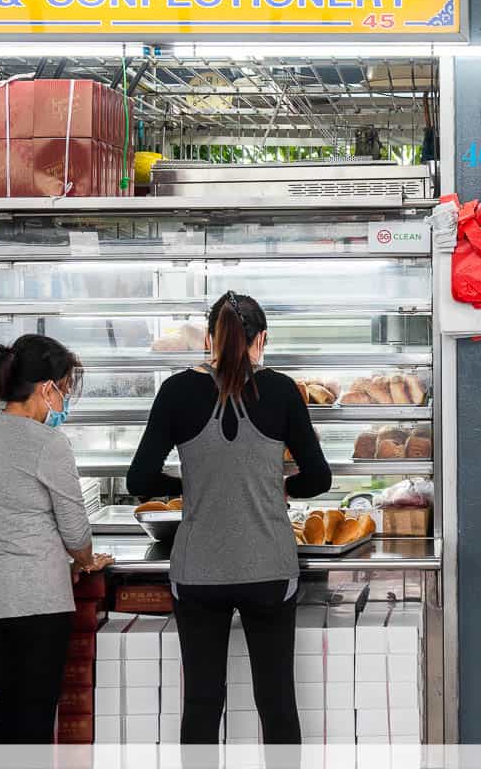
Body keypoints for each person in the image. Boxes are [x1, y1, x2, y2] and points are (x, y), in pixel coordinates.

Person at [127, 291, 332, 748]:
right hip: (269, 570)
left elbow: (139, 478)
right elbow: (318, 478)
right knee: (277, 701)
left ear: (209, 338)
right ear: (262, 339)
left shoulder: (176, 391)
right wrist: (281, 487)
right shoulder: (281, 389)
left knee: (202, 702)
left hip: (198, 572)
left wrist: (192, 487)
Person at [0, 334, 111, 744]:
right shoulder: (49, 444)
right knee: (35, 719)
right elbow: (76, 531)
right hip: (35, 602)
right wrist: (84, 559)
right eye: (63, 390)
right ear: (46, 389)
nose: (63, 402)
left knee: (11, 712)